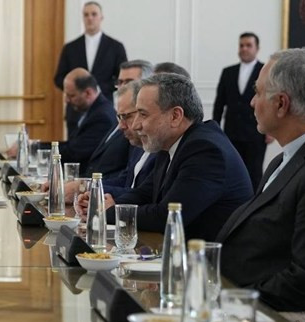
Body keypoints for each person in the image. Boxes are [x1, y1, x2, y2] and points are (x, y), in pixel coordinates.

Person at [79, 73, 253, 241]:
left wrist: (110, 212)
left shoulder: (205, 151)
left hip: (207, 257)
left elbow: (167, 216)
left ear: (175, 116)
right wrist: (101, 204)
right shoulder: (171, 143)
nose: (136, 125)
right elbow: (143, 193)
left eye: (143, 114)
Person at [217, 48, 305, 313]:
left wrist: (230, 300)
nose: (252, 102)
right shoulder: (283, 159)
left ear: (281, 104)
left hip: (266, 315)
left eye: (258, 92)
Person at [54, 2, 127, 135]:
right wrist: (75, 90)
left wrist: (97, 88)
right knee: (74, 146)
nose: (90, 18)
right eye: (86, 15)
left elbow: (122, 78)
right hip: (75, 110)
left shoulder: (115, 47)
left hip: (104, 107)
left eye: (94, 14)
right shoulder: (70, 48)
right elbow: (59, 78)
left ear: (101, 17)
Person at [212, 32, 267, 189]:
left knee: (255, 172)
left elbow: (269, 101)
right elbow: (219, 103)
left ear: (257, 48)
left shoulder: (265, 70)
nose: (244, 49)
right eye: (241, 45)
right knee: (232, 171)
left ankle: (256, 202)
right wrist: (215, 129)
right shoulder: (228, 72)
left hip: (256, 132)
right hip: (231, 132)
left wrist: (270, 131)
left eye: (249, 45)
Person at [83, 60, 154, 180]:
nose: (123, 87)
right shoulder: (122, 118)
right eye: (120, 82)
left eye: (129, 82)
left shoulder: (142, 134)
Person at [58, 69, 116, 173]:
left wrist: (39, 149)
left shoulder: (101, 117)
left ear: (88, 93)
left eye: (71, 95)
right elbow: (72, 144)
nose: (66, 100)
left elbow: (74, 152)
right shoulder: (92, 110)